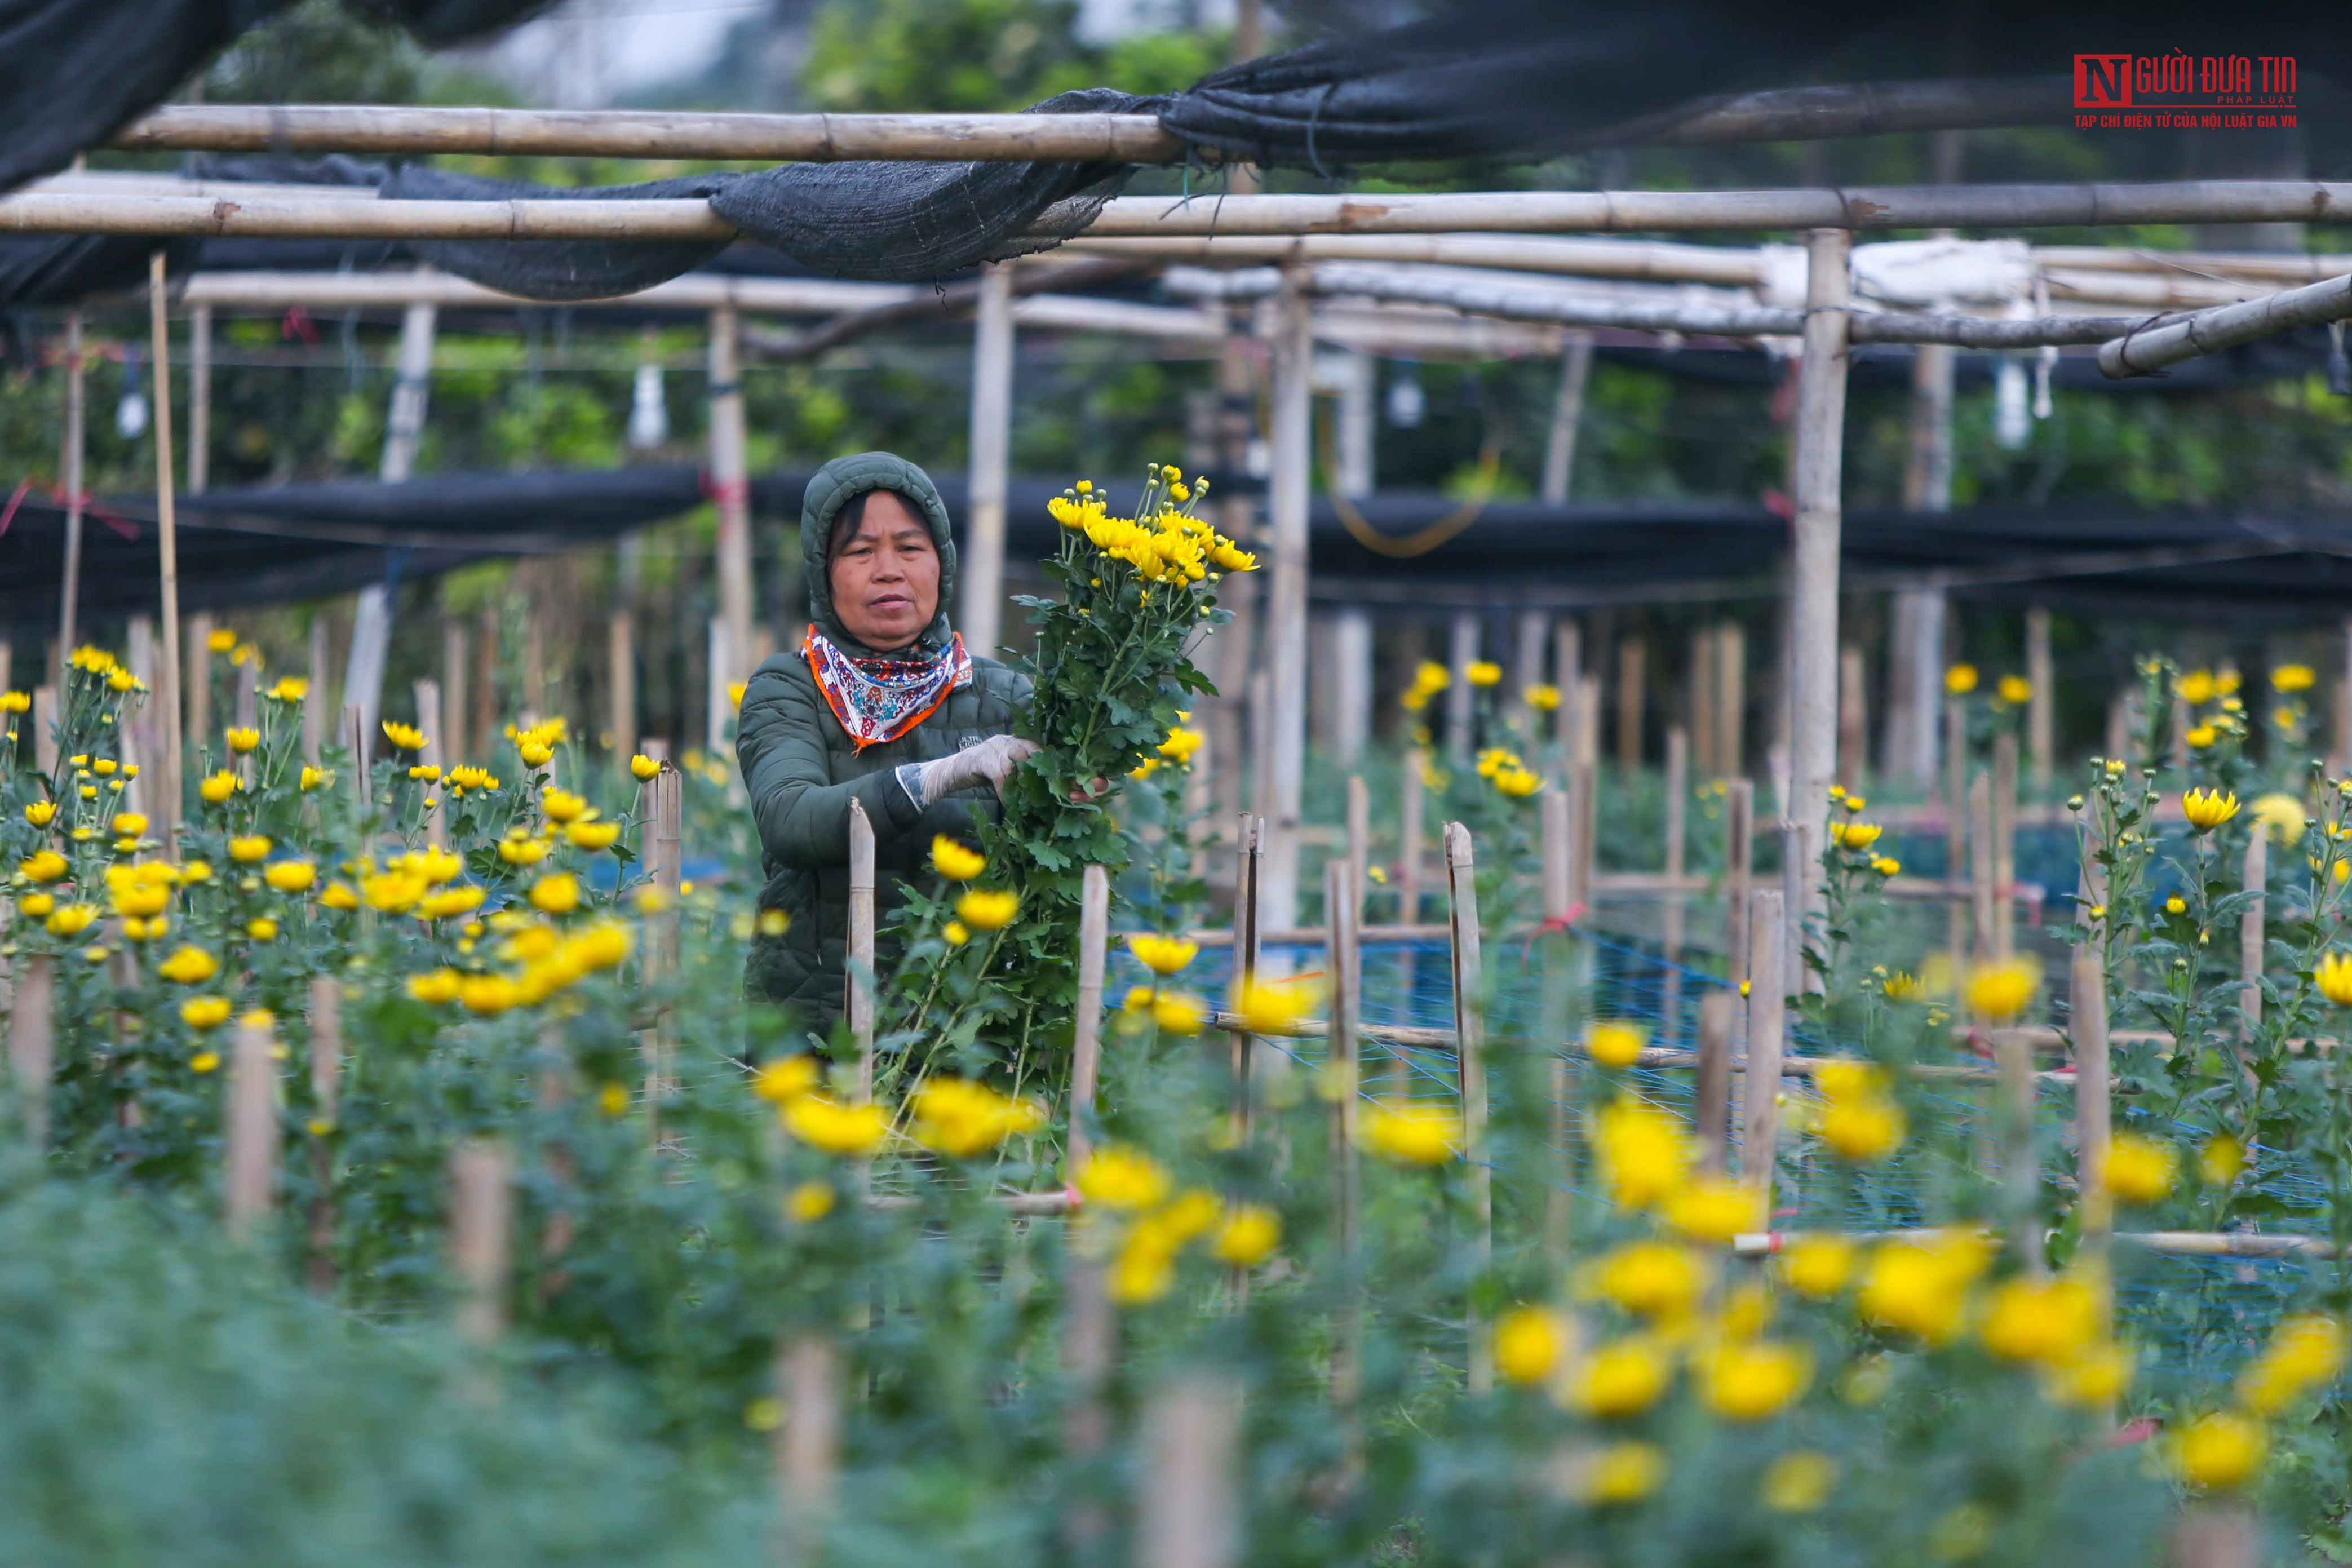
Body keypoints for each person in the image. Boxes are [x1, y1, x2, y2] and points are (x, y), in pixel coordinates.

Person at [737, 452, 1035, 1027]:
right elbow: (790, 818)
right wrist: (945, 773)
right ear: (824, 571)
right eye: (859, 551)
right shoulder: (790, 689)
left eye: (910, 547)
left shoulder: (1008, 696)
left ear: (942, 564)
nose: (888, 569)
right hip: (822, 1032)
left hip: (973, 1031)